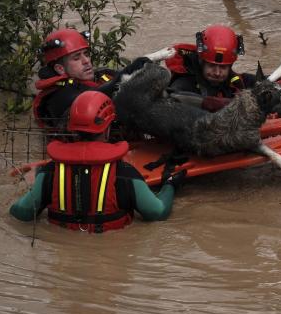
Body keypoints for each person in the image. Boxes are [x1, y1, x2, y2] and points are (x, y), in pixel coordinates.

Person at [10, 91, 183, 232]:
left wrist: (38, 182)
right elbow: (157, 212)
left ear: (71, 126)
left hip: (65, 254)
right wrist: (170, 186)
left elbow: (21, 213)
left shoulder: (50, 171)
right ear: (108, 128)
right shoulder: (125, 173)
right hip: (109, 253)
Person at [32, 28, 155, 134]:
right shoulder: (59, 96)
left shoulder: (101, 75)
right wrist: (128, 71)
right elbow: (92, 97)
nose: (86, 61)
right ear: (60, 69)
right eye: (76, 58)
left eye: (86, 54)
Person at [166, 24, 281, 112]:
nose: (217, 72)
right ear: (201, 61)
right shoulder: (183, 84)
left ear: (231, 65)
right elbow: (173, 104)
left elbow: (265, 84)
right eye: (211, 65)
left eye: (223, 67)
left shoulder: (236, 80)